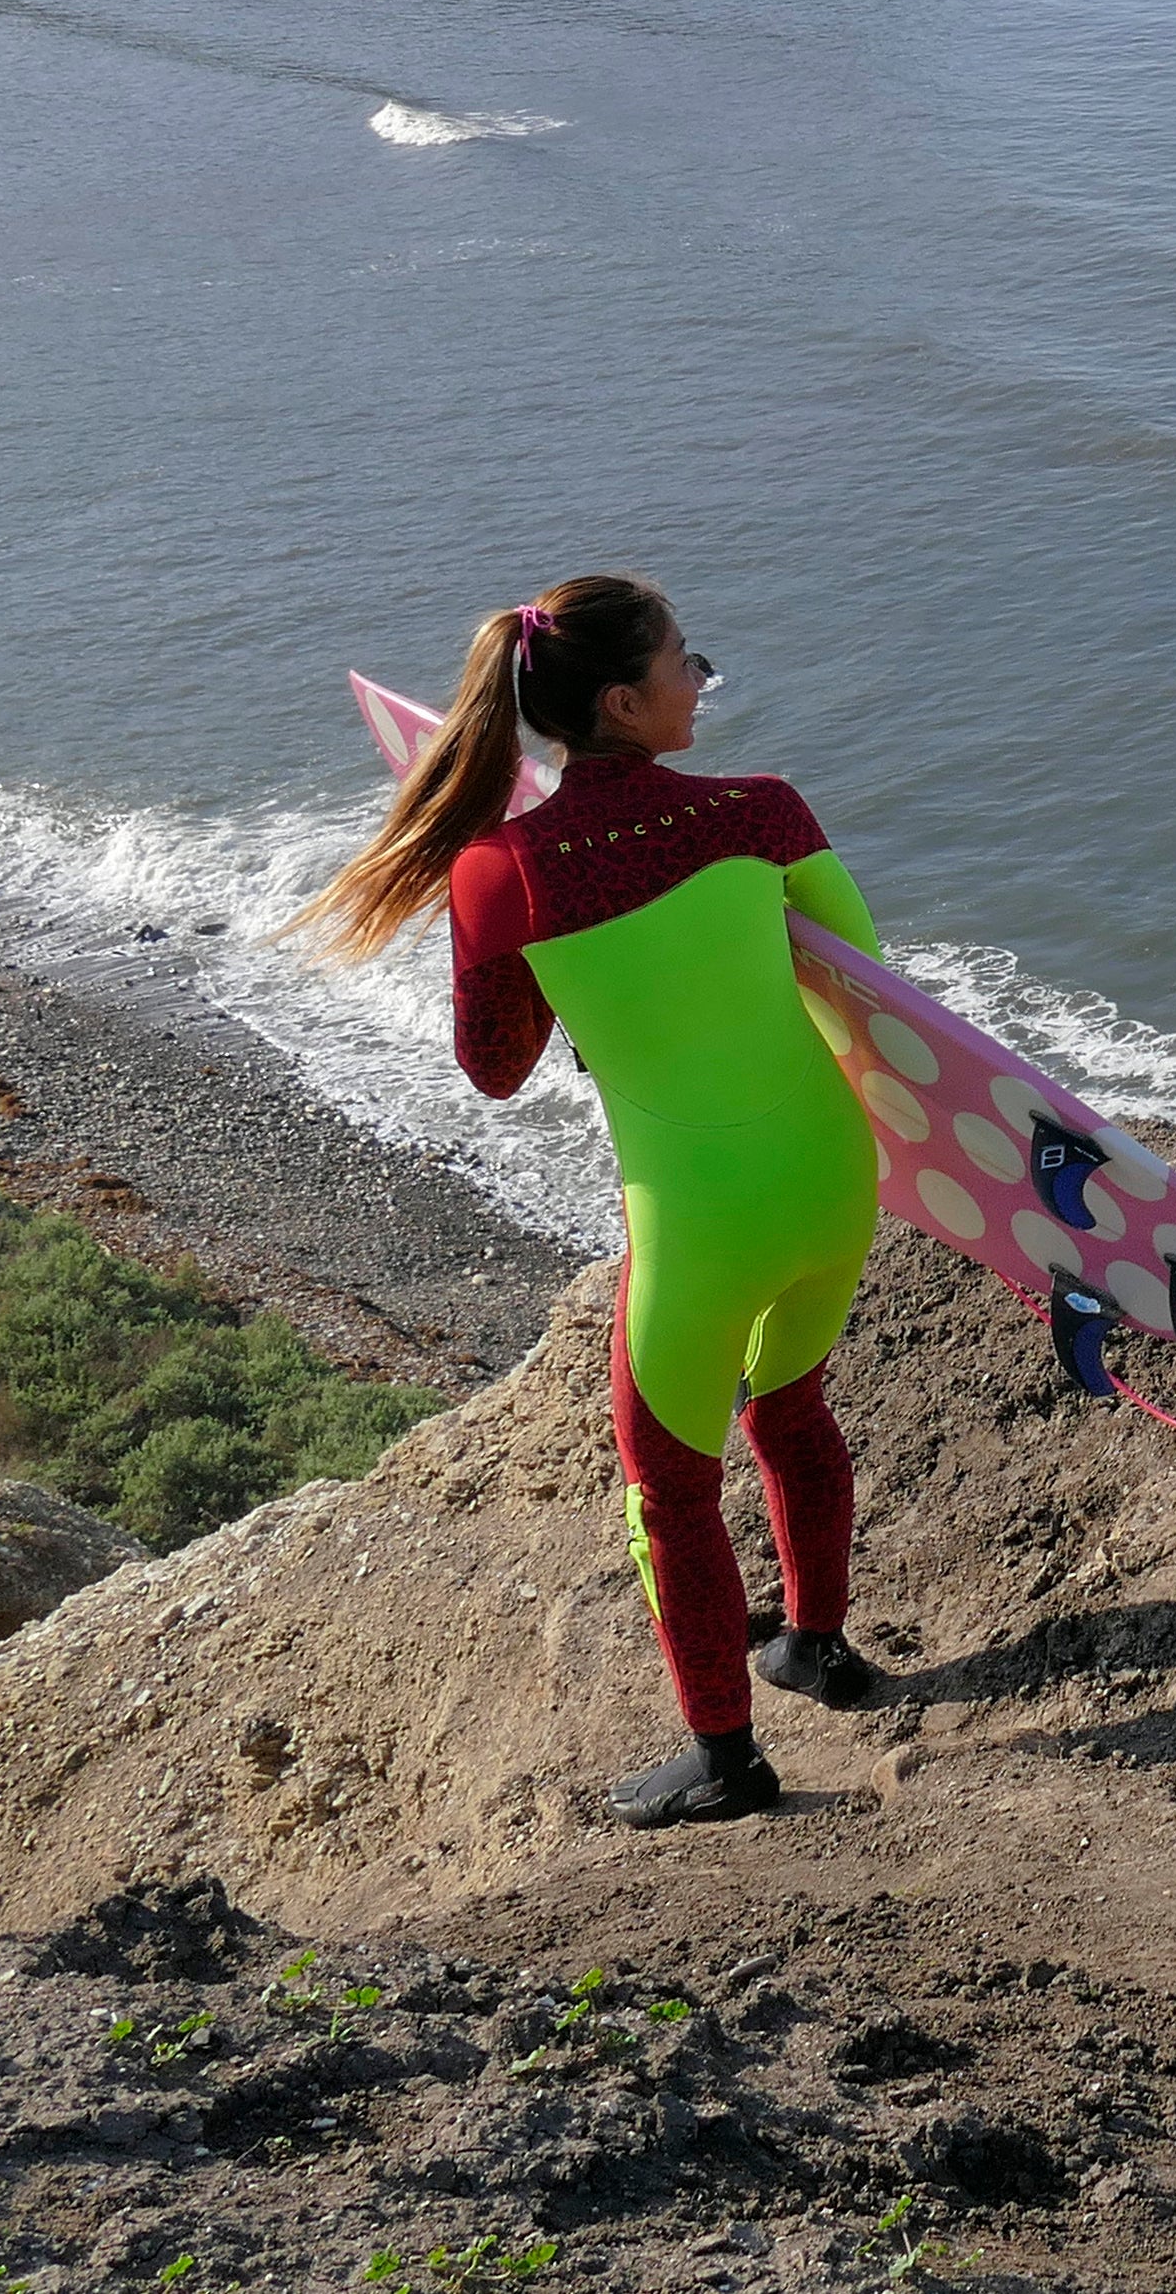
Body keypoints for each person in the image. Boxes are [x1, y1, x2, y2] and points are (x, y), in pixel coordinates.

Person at [298, 573, 887, 1827]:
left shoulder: (499, 873)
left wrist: (593, 991)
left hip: (701, 1218)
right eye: (688, 661)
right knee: (789, 1401)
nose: (701, 677)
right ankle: (815, 1647)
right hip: (837, 1184)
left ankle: (726, 1763)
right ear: (623, 701)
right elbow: (867, 987)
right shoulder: (764, 810)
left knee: (667, 1485)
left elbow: (496, 1070)